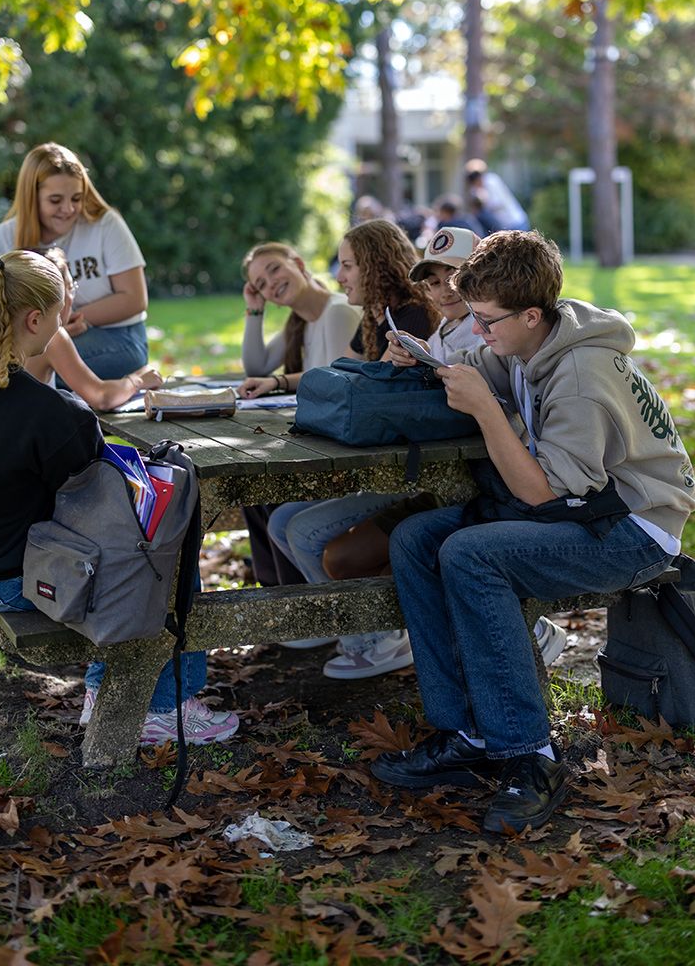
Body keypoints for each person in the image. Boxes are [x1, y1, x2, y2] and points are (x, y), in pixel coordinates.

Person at [372, 230, 695, 834]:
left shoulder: (580, 374)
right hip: (586, 511)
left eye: (488, 321)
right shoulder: (532, 340)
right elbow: (477, 365)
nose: (480, 331)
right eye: (473, 317)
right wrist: (423, 357)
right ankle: (467, 730)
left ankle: (530, 755)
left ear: (530, 314)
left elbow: (543, 492)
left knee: (471, 555)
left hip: (634, 528)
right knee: (414, 539)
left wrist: (488, 411)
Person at [0, 251, 237, 747]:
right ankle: (160, 707)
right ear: (34, 320)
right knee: (161, 558)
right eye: (58, 317)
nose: (60, 326)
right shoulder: (47, 412)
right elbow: (111, 509)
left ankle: (107, 692)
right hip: (12, 579)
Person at [319, 226, 567, 673]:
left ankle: (518, 633)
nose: (444, 289)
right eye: (432, 281)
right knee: (390, 546)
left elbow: (550, 478)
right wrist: (413, 361)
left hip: (498, 482)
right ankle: (431, 647)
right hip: (464, 478)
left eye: (456, 276)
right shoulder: (454, 333)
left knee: (444, 547)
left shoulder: (499, 333)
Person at [266, 218, 440, 673]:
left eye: (348, 265)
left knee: (303, 530)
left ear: (377, 266)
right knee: (281, 518)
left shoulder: (415, 319)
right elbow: (350, 376)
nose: (340, 276)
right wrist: (283, 382)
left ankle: (378, 639)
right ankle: (343, 623)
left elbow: (378, 399)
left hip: (418, 474)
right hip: (383, 466)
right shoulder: (380, 317)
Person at [237, 241, 362, 594]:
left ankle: (297, 602)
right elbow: (256, 365)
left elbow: (334, 378)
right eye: (260, 283)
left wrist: (278, 381)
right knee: (252, 492)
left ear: (298, 262)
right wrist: (254, 310)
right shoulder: (302, 322)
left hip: (341, 451)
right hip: (317, 440)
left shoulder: (336, 311)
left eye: (274, 269)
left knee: (271, 490)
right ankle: (277, 596)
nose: (270, 283)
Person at [0, 143, 149, 380]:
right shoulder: (2, 237)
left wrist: (63, 323)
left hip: (117, 336)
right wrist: (52, 329)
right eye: (55, 200)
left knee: (27, 369)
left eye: (77, 198)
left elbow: (135, 299)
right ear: (32, 197)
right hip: (32, 340)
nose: (68, 208)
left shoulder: (105, 225)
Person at [24, 248, 163, 411]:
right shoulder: (53, 337)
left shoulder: (1, 329)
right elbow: (102, 397)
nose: (73, 297)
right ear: (58, 296)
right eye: (71, 287)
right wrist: (138, 380)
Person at [464, 158, 529, 232]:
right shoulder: (474, 190)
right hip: (503, 226)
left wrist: (485, 200)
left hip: (515, 222)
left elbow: (499, 203)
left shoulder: (491, 181)